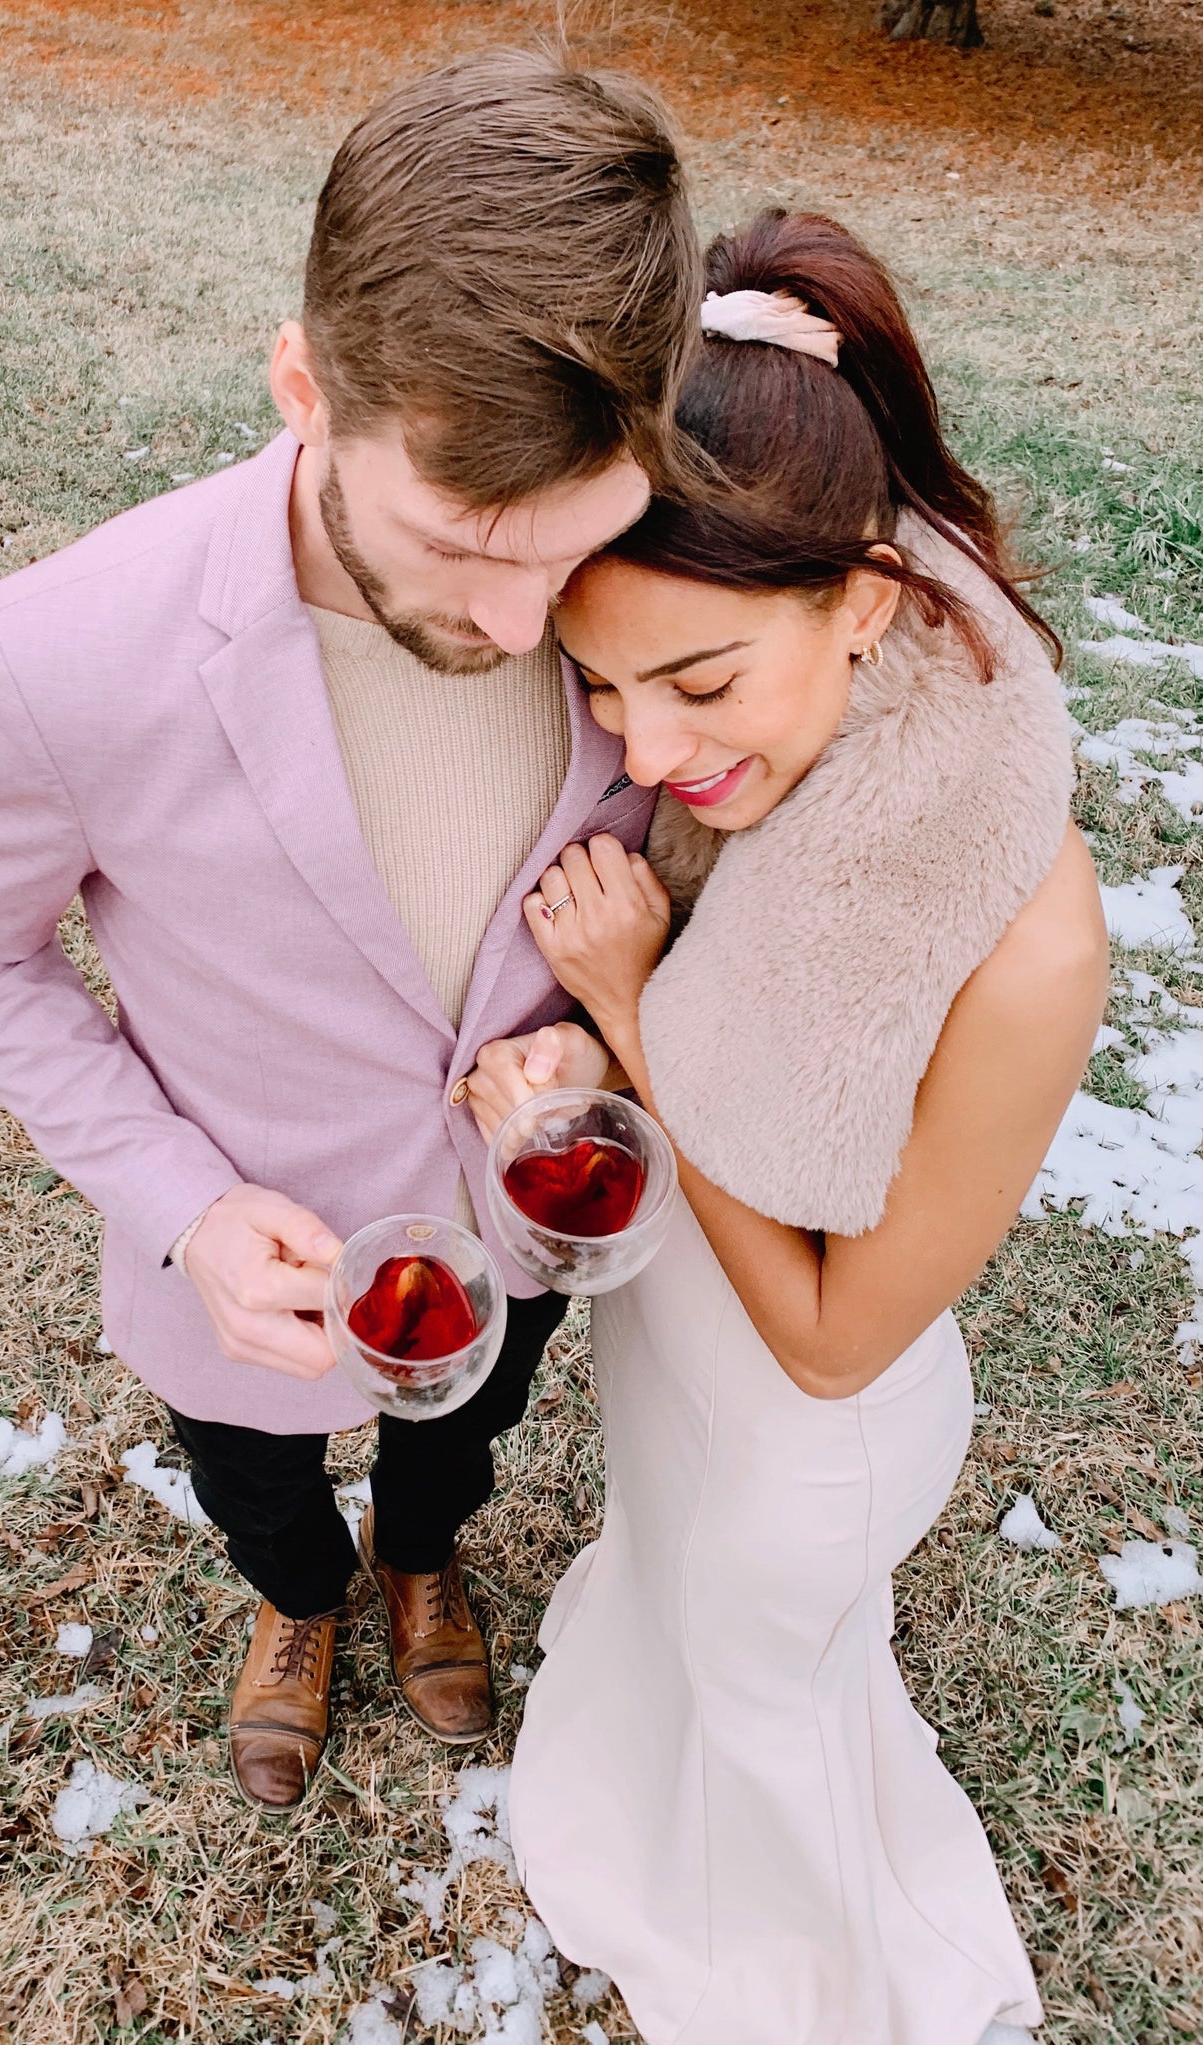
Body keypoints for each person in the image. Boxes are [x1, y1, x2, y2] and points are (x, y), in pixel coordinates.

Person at [0, 48, 700, 1813]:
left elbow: (710, 853)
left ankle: (419, 1561)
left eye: (573, 548)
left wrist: (609, 1036)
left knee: (458, 1447)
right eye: (461, 538)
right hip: (241, 1286)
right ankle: (298, 1601)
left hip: (514, 1225)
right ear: (303, 387)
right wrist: (175, 1203)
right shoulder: (66, 657)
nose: (521, 617)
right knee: (256, 1477)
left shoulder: (659, 586)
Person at [462, 211, 1108, 2043]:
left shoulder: (1022, 946)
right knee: (663, 1628)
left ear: (869, 601)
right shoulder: (778, 767)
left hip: (797, 1452)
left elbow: (830, 1341)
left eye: (698, 680)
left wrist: (627, 1025)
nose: (645, 752)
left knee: (775, 1747)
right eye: (600, 683)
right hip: (676, 1377)